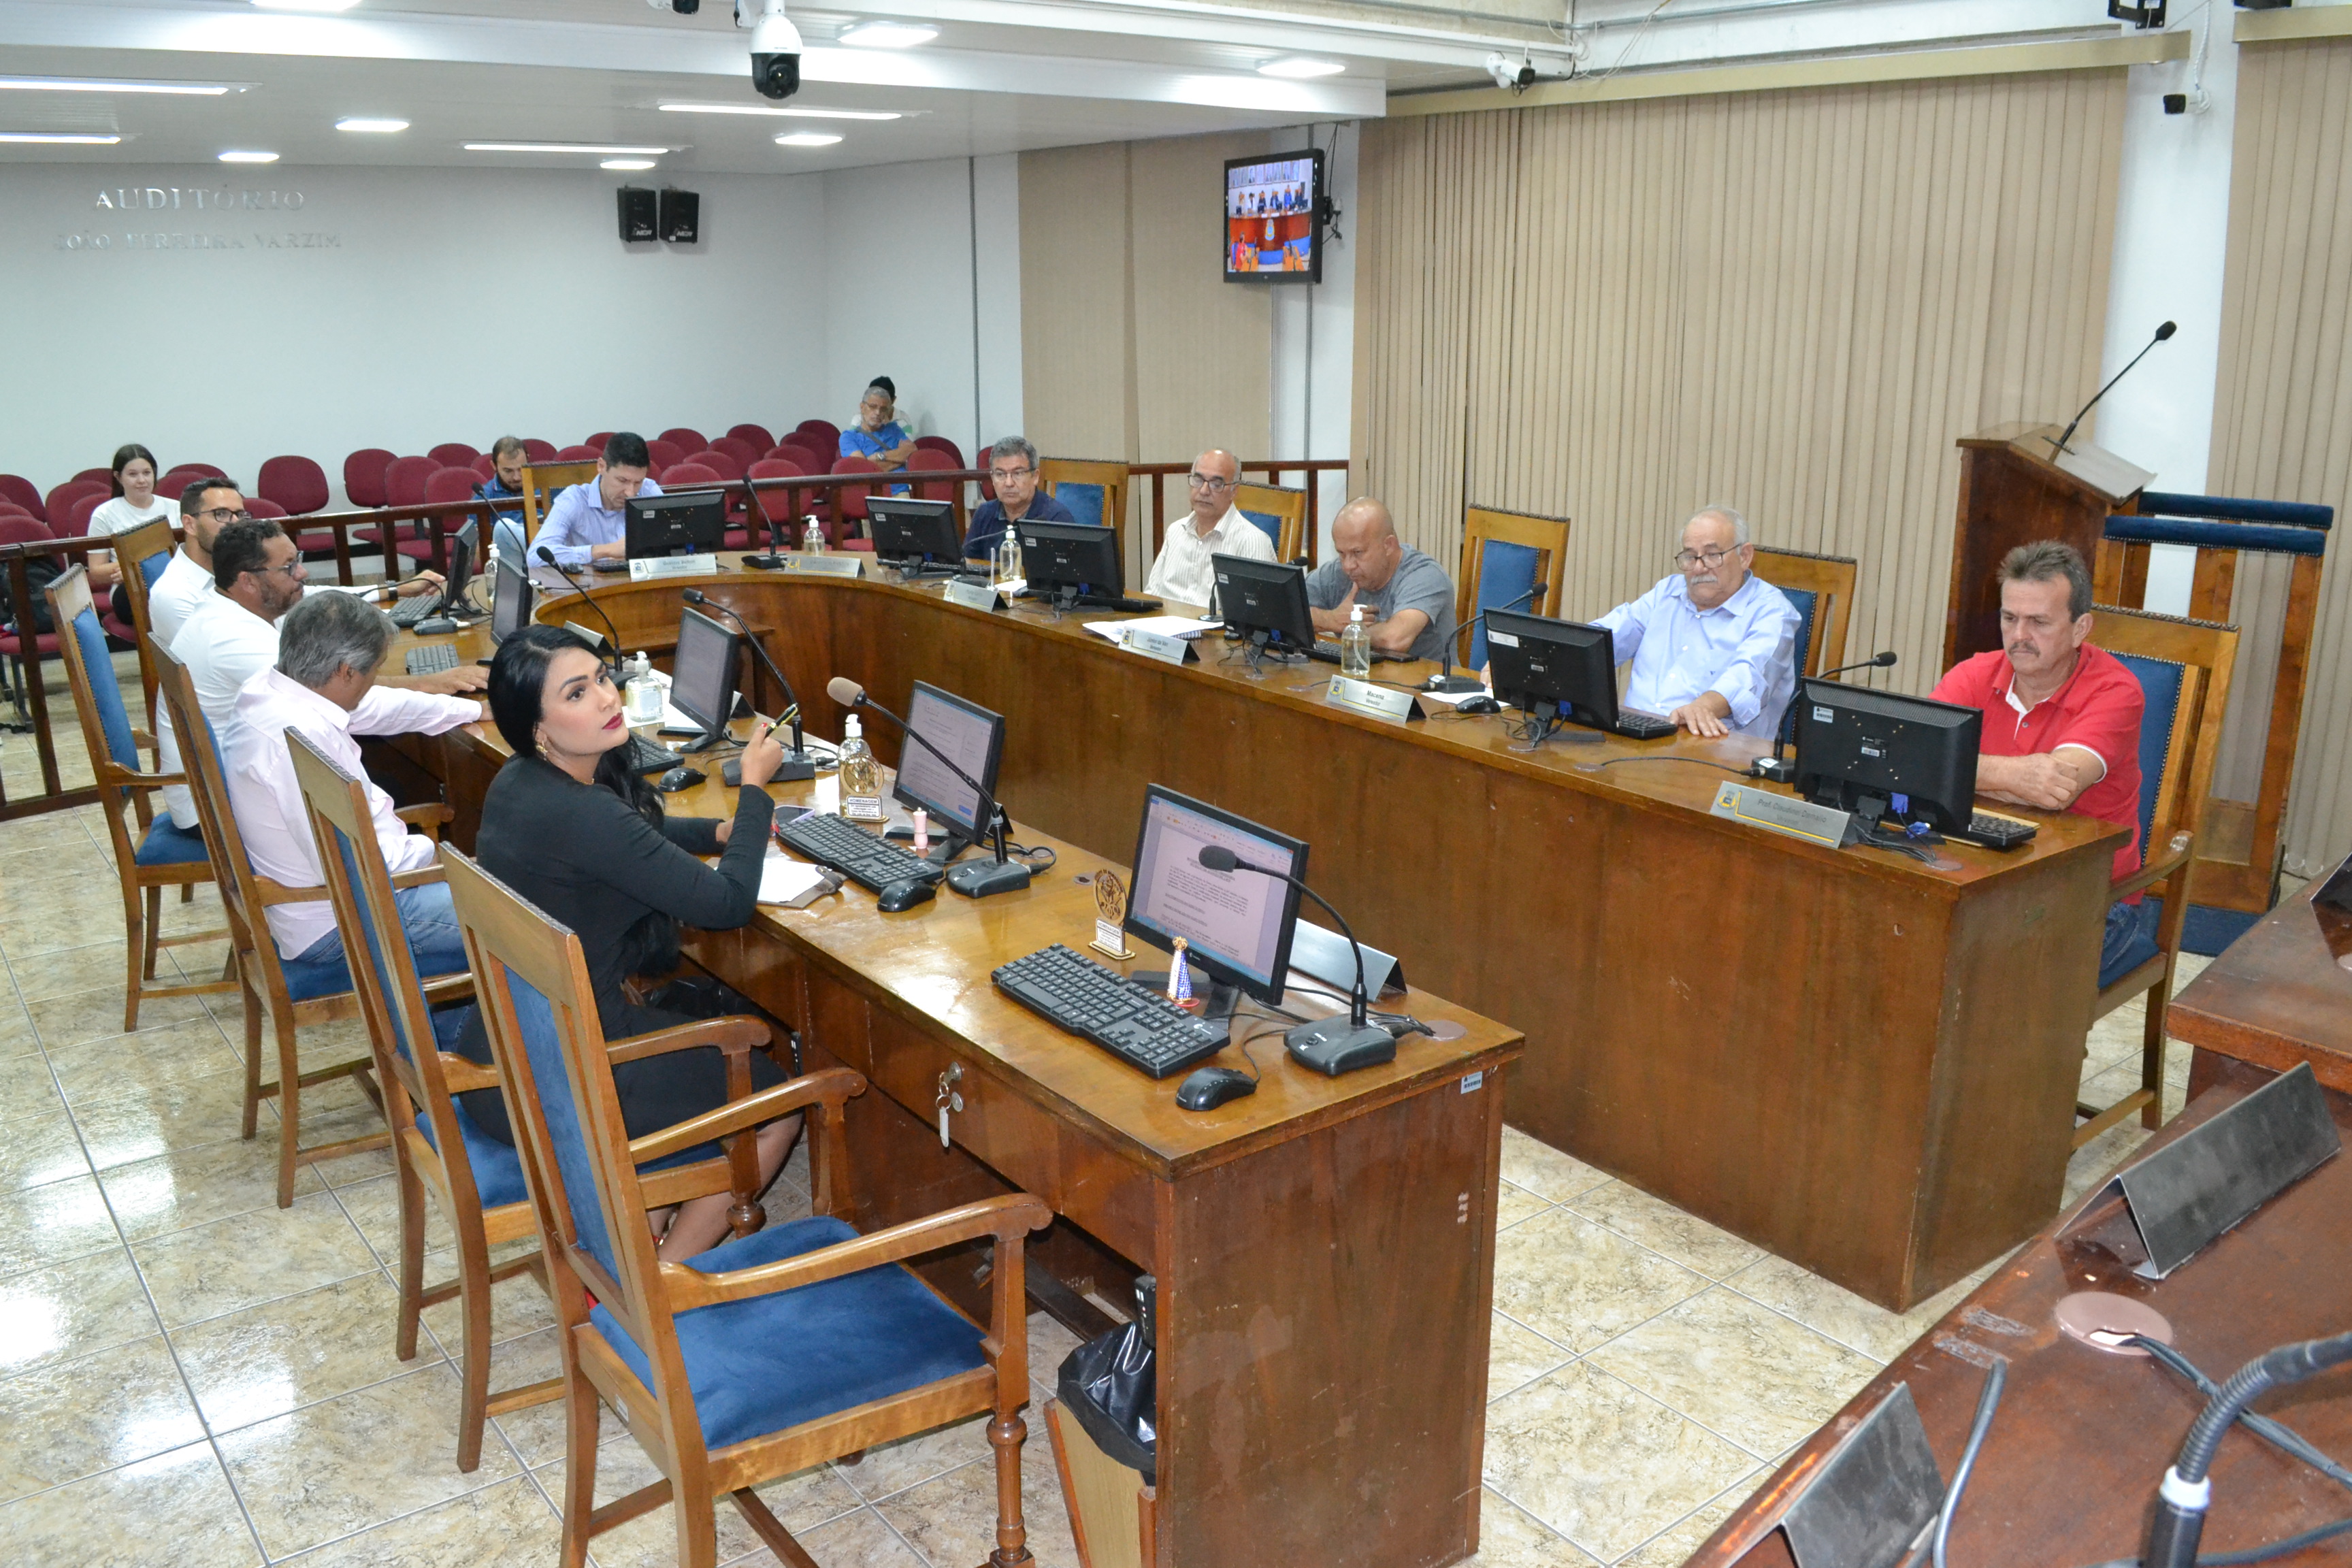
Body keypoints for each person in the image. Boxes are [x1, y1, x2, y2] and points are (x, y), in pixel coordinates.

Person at [451, 625, 802, 1261]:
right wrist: (754, 789)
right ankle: (654, 1291)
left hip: (500, 1053)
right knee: (776, 1103)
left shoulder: (519, 782)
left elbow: (630, 838)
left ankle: (644, 1235)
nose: (607, 698)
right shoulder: (586, 815)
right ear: (539, 727)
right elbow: (726, 904)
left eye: (602, 679)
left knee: (696, 1045)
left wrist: (717, 832)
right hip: (564, 1081)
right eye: (577, 693)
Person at [223, 589, 480, 987]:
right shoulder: (298, 743)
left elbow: (375, 705)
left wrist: (473, 709)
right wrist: (439, 857)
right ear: (345, 672)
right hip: (345, 917)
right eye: (374, 670)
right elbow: (357, 864)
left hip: (352, 893)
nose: (374, 679)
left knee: (510, 899)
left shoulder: (277, 688)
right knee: (527, 927)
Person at [164, 518, 482, 830]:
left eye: (298, 560)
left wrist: (387, 591)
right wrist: (457, 700)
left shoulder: (240, 605)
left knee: (391, 777)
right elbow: (346, 703)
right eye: (289, 567)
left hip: (244, 780)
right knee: (399, 786)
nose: (302, 573)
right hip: (217, 810)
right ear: (248, 581)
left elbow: (318, 595)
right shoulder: (230, 638)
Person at [1930, 540, 2149, 987]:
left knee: (1986, 982)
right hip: (1983, 872)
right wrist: (2016, 776)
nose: (2019, 636)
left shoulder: (2117, 692)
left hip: (2088, 895)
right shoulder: (1974, 674)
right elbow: (1916, 757)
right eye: (2009, 618)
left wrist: (1959, 770)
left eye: (2039, 622)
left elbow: (2054, 787)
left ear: (2080, 628)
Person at [1584, 505, 1801, 739]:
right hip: (1631, 737)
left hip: (1713, 749)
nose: (1699, 567)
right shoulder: (1666, 593)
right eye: (1690, 556)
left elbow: (1749, 676)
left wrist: (1703, 707)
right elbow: (1598, 643)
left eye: (1712, 555)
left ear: (1744, 556)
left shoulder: (1772, 612)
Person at [1305, 497, 1456, 663]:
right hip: (1360, 675)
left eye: (1358, 553)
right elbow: (1289, 611)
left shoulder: (1425, 576)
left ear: (1388, 546)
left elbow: (1394, 640)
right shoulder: (1338, 573)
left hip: (1422, 678)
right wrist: (1331, 620)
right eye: (1341, 553)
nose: (1348, 565)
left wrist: (1352, 629)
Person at [1143, 448, 1275, 606]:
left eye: (1216, 484)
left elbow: (1257, 613)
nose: (1204, 491)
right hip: (1166, 620)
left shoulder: (1252, 542)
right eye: (1198, 480)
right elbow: (1152, 595)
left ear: (1234, 491)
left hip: (1214, 623)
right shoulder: (1176, 531)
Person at [532, 431, 662, 569]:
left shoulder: (649, 490)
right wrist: (604, 551)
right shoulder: (574, 500)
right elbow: (535, 557)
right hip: (591, 582)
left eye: (638, 482)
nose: (630, 493)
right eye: (622, 480)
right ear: (601, 466)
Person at [960, 436, 1075, 566]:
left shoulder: (1055, 518)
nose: (1009, 483)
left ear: (1035, 477)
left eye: (1018, 473)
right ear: (992, 478)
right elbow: (967, 563)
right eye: (1000, 474)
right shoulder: (984, 513)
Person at [86, 444, 172, 593]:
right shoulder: (104, 514)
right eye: (133, 475)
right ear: (118, 477)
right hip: (128, 587)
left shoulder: (176, 508)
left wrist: (138, 568)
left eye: (147, 473)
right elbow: (97, 572)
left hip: (173, 580)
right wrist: (134, 572)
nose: (142, 480)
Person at [476, 436, 529, 554]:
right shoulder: (483, 496)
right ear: (494, 466)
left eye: (521, 469)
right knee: (503, 528)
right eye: (508, 471)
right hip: (507, 557)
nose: (516, 477)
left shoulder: (543, 488)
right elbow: (478, 548)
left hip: (546, 557)